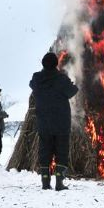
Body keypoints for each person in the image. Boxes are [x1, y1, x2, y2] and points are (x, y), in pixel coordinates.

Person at [29, 52, 79, 190]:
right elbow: (72, 91)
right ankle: (59, 182)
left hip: (44, 122)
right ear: (56, 64)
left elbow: (32, 85)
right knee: (61, 152)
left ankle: (45, 182)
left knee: (45, 151)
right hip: (61, 122)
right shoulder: (61, 79)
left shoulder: (37, 79)